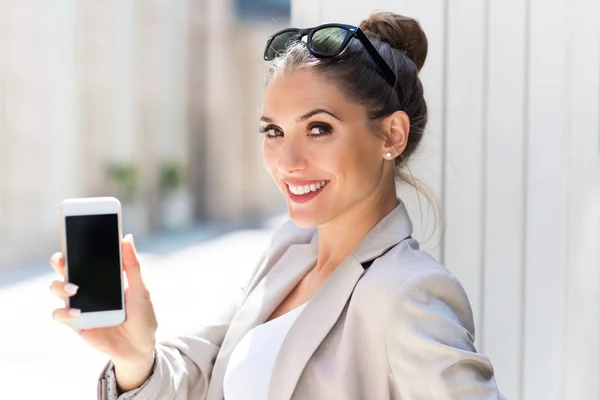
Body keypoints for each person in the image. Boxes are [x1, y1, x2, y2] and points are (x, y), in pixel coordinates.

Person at [50, 11, 504, 400]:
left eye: (319, 128)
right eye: (274, 131)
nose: (288, 162)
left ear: (392, 135)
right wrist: (134, 357)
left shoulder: (407, 292)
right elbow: (207, 378)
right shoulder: (291, 249)